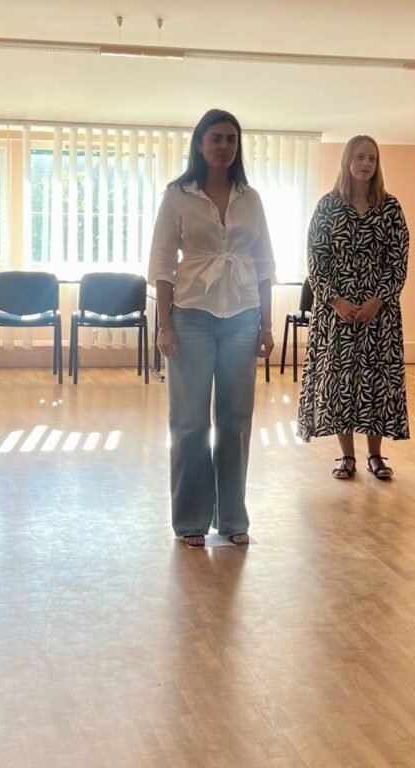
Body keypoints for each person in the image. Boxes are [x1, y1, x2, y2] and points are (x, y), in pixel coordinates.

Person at [148, 109, 275, 548]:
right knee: (189, 422)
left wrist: (266, 323)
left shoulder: (250, 198)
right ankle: (190, 521)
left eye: (231, 139)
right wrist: (165, 326)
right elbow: (162, 264)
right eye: (216, 138)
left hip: (242, 316)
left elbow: (264, 263)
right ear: (200, 144)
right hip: (191, 315)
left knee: (236, 420)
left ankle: (233, 517)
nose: (224, 146)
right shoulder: (177, 195)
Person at [297, 135, 410, 479]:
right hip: (337, 311)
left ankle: (375, 455)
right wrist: (336, 300)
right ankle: (347, 456)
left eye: (372, 158)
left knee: (376, 380)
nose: (366, 164)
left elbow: (398, 261)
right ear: (348, 160)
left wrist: (377, 300)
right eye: (360, 157)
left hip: (380, 312)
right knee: (341, 381)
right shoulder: (327, 206)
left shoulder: (390, 208)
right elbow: (316, 261)